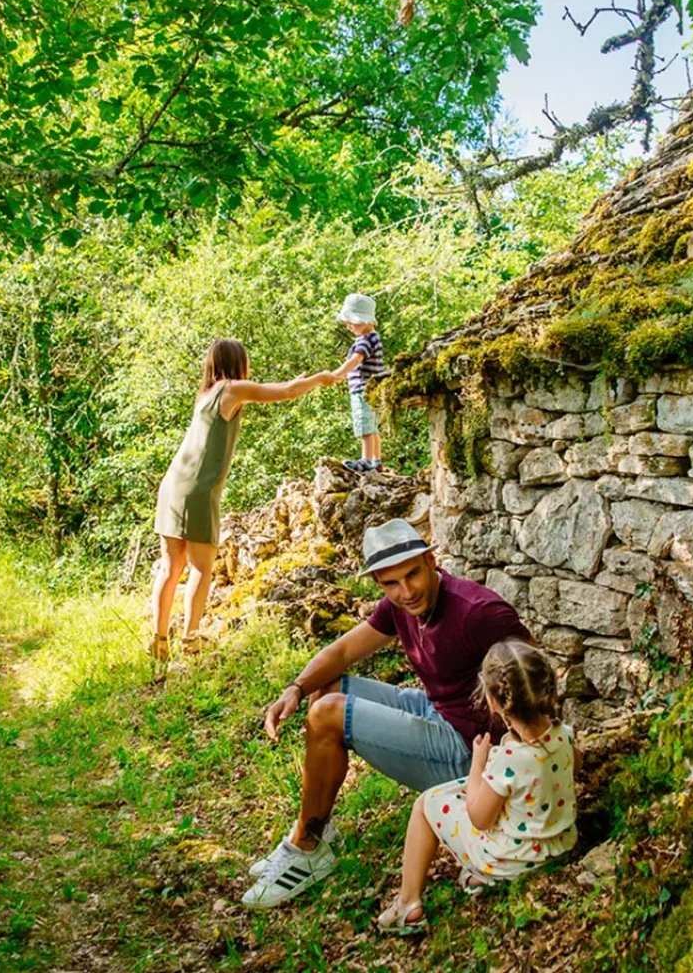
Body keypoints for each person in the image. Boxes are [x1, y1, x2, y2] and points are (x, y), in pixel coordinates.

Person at [242, 518, 532, 908]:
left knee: (329, 712)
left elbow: (534, 675)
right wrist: (295, 688)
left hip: (473, 753)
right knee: (325, 687)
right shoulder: (399, 606)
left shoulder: (478, 613)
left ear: (431, 561)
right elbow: (343, 652)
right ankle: (316, 829)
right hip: (438, 712)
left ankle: (306, 851)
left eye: (412, 574)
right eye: (390, 583)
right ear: (378, 583)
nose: (406, 591)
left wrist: (528, 763)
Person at [151, 339, 337, 662]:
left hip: (172, 485)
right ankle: (191, 642)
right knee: (201, 568)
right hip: (197, 489)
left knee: (171, 567)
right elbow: (287, 391)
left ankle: (158, 641)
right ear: (237, 363)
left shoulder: (206, 395)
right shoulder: (231, 389)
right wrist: (319, 378)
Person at [376, 639, 577, 934]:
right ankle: (477, 878)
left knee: (427, 803)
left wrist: (478, 765)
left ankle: (408, 904)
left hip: (516, 860)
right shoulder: (565, 735)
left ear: (494, 702)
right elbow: (571, 771)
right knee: (463, 794)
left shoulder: (508, 759)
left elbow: (479, 818)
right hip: (561, 844)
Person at [329, 293, 386, 474]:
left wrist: (336, 374)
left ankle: (366, 460)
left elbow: (355, 360)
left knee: (365, 426)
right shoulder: (370, 338)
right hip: (371, 389)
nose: (348, 326)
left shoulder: (367, 339)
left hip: (363, 389)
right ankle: (376, 460)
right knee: (372, 426)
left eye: (351, 321)